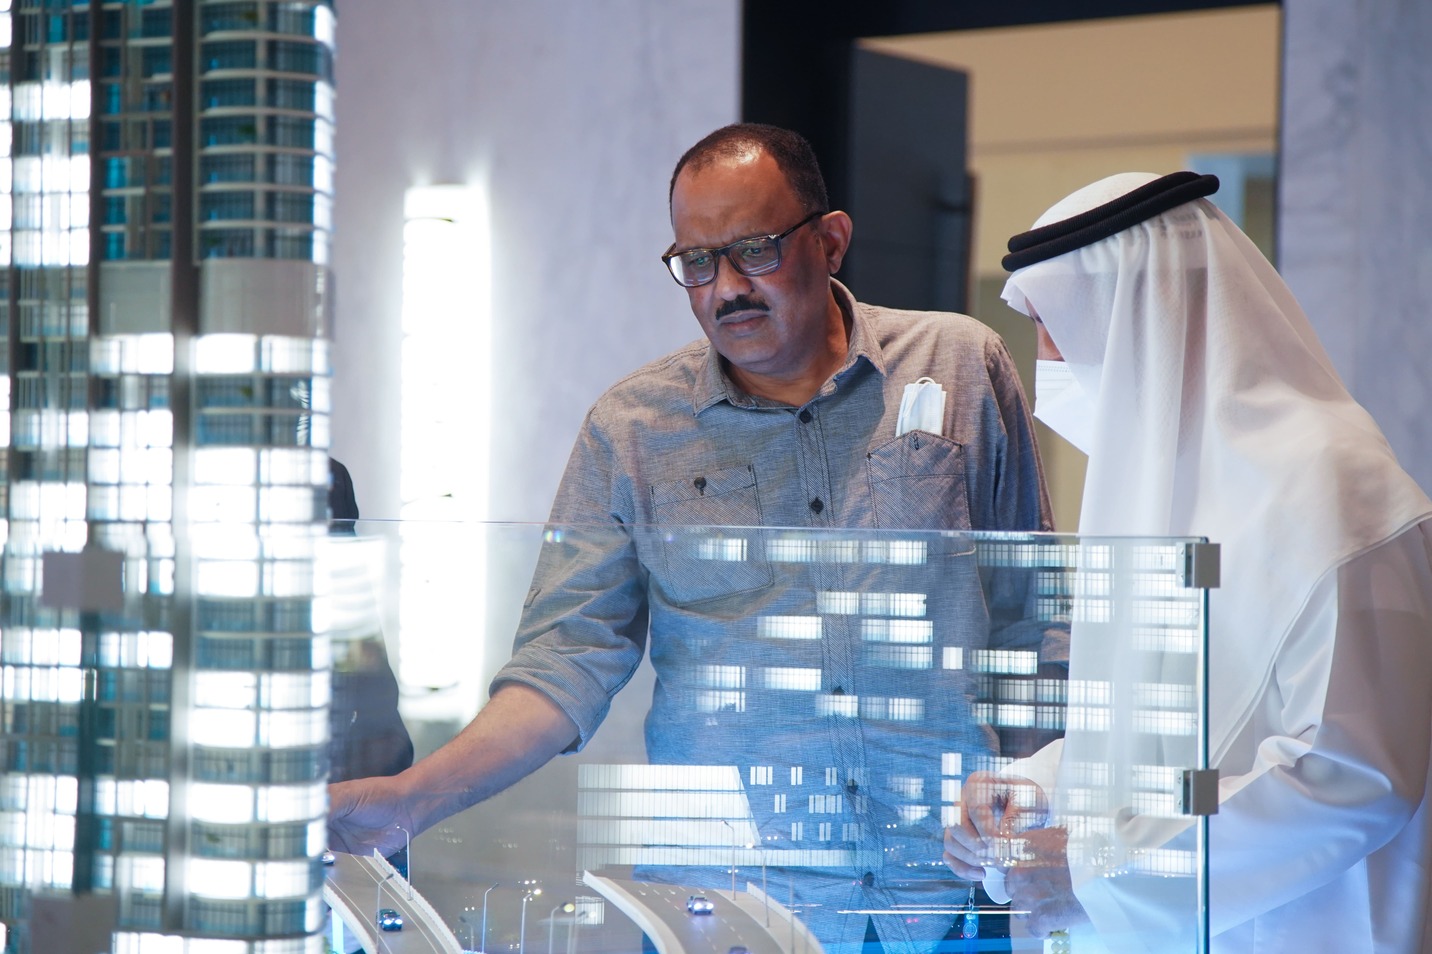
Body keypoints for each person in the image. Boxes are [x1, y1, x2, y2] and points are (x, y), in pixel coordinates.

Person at [328, 123, 1057, 953]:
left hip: (951, 895)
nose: (726, 288)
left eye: (753, 250)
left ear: (830, 240)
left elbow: (1037, 620)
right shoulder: (633, 427)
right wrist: (413, 799)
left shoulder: (958, 363)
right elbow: (564, 662)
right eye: (697, 262)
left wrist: (1034, 796)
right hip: (726, 914)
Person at [942, 171, 1432, 952]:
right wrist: (1036, 788)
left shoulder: (1331, 482)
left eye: (1055, 326)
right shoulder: (1161, 489)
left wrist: (1103, 871)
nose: (1048, 362)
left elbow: (1354, 774)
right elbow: (1173, 728)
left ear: (1140, 315)